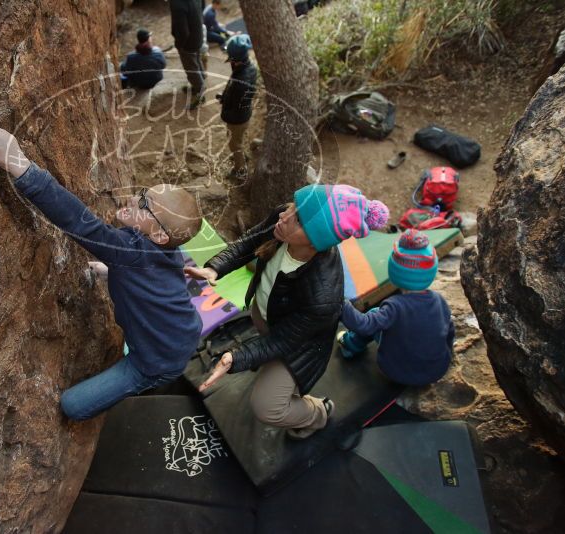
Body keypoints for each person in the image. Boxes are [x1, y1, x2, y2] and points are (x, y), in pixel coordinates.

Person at [0, 119, 203, 420]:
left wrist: (20, 165)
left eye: (145, 204)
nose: (134, 199)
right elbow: (155, 270)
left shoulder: (133, 253)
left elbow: (81, 223)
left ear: (158, 236)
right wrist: (115, 271)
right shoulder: (160, 248)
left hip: (155, 362)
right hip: (180, 332)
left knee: (73, 407)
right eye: (144, 192)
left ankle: (146, 385)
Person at [186, 184, 389, 439]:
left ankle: (318, 413)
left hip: (300, 345)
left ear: (316, 241)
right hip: (268, 313)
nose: (285, 215)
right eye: (294, 205)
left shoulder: (323, 295)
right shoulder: (284, 222)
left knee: (267, 406)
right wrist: (215, 268)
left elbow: (283, 340)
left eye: (299, 218)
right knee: (262, 336)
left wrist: (236, 357)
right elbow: (251, 240)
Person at [337, 229, 454, 386]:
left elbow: (363, 325)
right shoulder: (440, 301)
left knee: (374, 315)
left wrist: (340, 302)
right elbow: (450, 332)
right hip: (437, 370)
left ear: (395, 270)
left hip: (396, 371)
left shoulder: (394, 307)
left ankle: (350, 344)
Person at [217, 34, 257, 179]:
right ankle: (242, 156)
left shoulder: (241, 80)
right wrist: (225, 96)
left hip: (237, 118)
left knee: (234, 143)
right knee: (238, 139)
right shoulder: (249, 67)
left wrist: (225, 106)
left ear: (236, 59)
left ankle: (240, 169)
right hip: (244, 113)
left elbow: (236, 102)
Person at [170, 0, 205, 109]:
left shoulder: (176, 3)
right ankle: (201, 79)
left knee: (191, 69)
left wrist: (179, 45)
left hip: (188, 43)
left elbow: (183, 31)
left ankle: (200, 94)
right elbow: (203, 5)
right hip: (198, 33)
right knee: (197, 60)